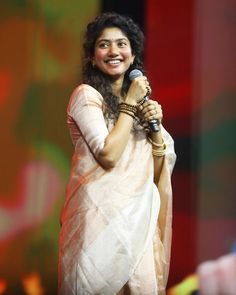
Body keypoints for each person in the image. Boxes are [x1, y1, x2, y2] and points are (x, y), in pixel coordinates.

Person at [58, 12, 176, 295]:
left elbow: (159, 175)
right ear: (92, 56)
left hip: (137, 226)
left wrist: (154, 130)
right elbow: (108, 155)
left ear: (133, 54)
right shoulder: (86, 96)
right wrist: (130, 104)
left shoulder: (139, 107)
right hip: (97, 228)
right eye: (104, 44)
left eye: (122, 44)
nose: (114, 51)